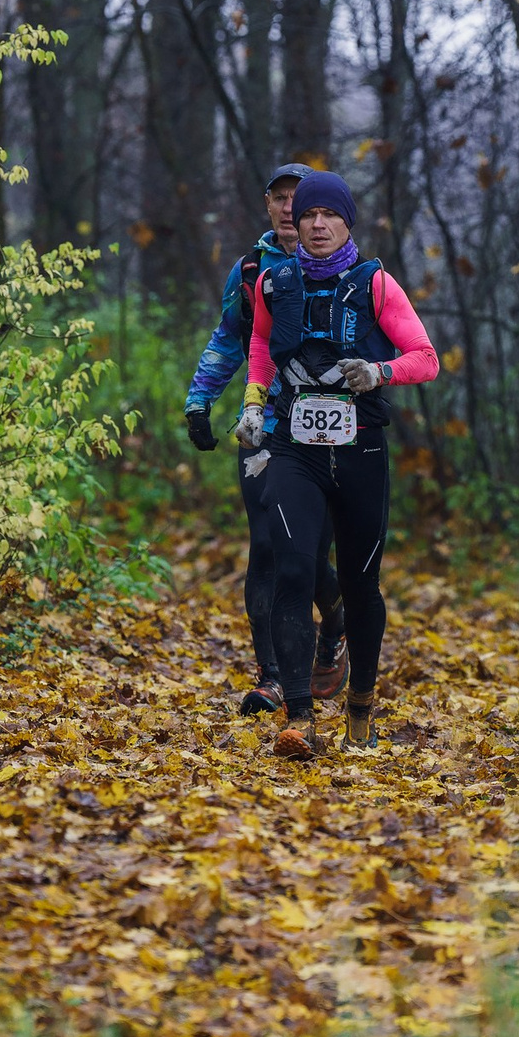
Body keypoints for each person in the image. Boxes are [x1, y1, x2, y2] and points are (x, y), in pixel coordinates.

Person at [236, 170, 438, 758]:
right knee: (292, 570)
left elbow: (425, 358)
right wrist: (253, 405)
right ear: (293, 224)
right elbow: (258, 349)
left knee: (359, 583)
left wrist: (379, 372)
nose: (317, 225)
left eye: (329, 216)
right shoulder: (275, 282)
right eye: (307, 216)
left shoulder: (375, 285)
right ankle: (298, 717)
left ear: (347, 222)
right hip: (295, 447)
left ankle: (360, 707)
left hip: (360, 448)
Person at [183, 162, 347, 716]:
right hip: (262, 430)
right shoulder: (251, 269)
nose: (287, 208)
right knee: (266, 551)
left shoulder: (345, 266)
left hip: (324, 434)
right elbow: (228, 338)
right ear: (268, 204)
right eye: (278, 198)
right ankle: (272, 675)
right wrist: (199, 400)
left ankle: (336, 629)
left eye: (298, 200)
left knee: (310, 558)